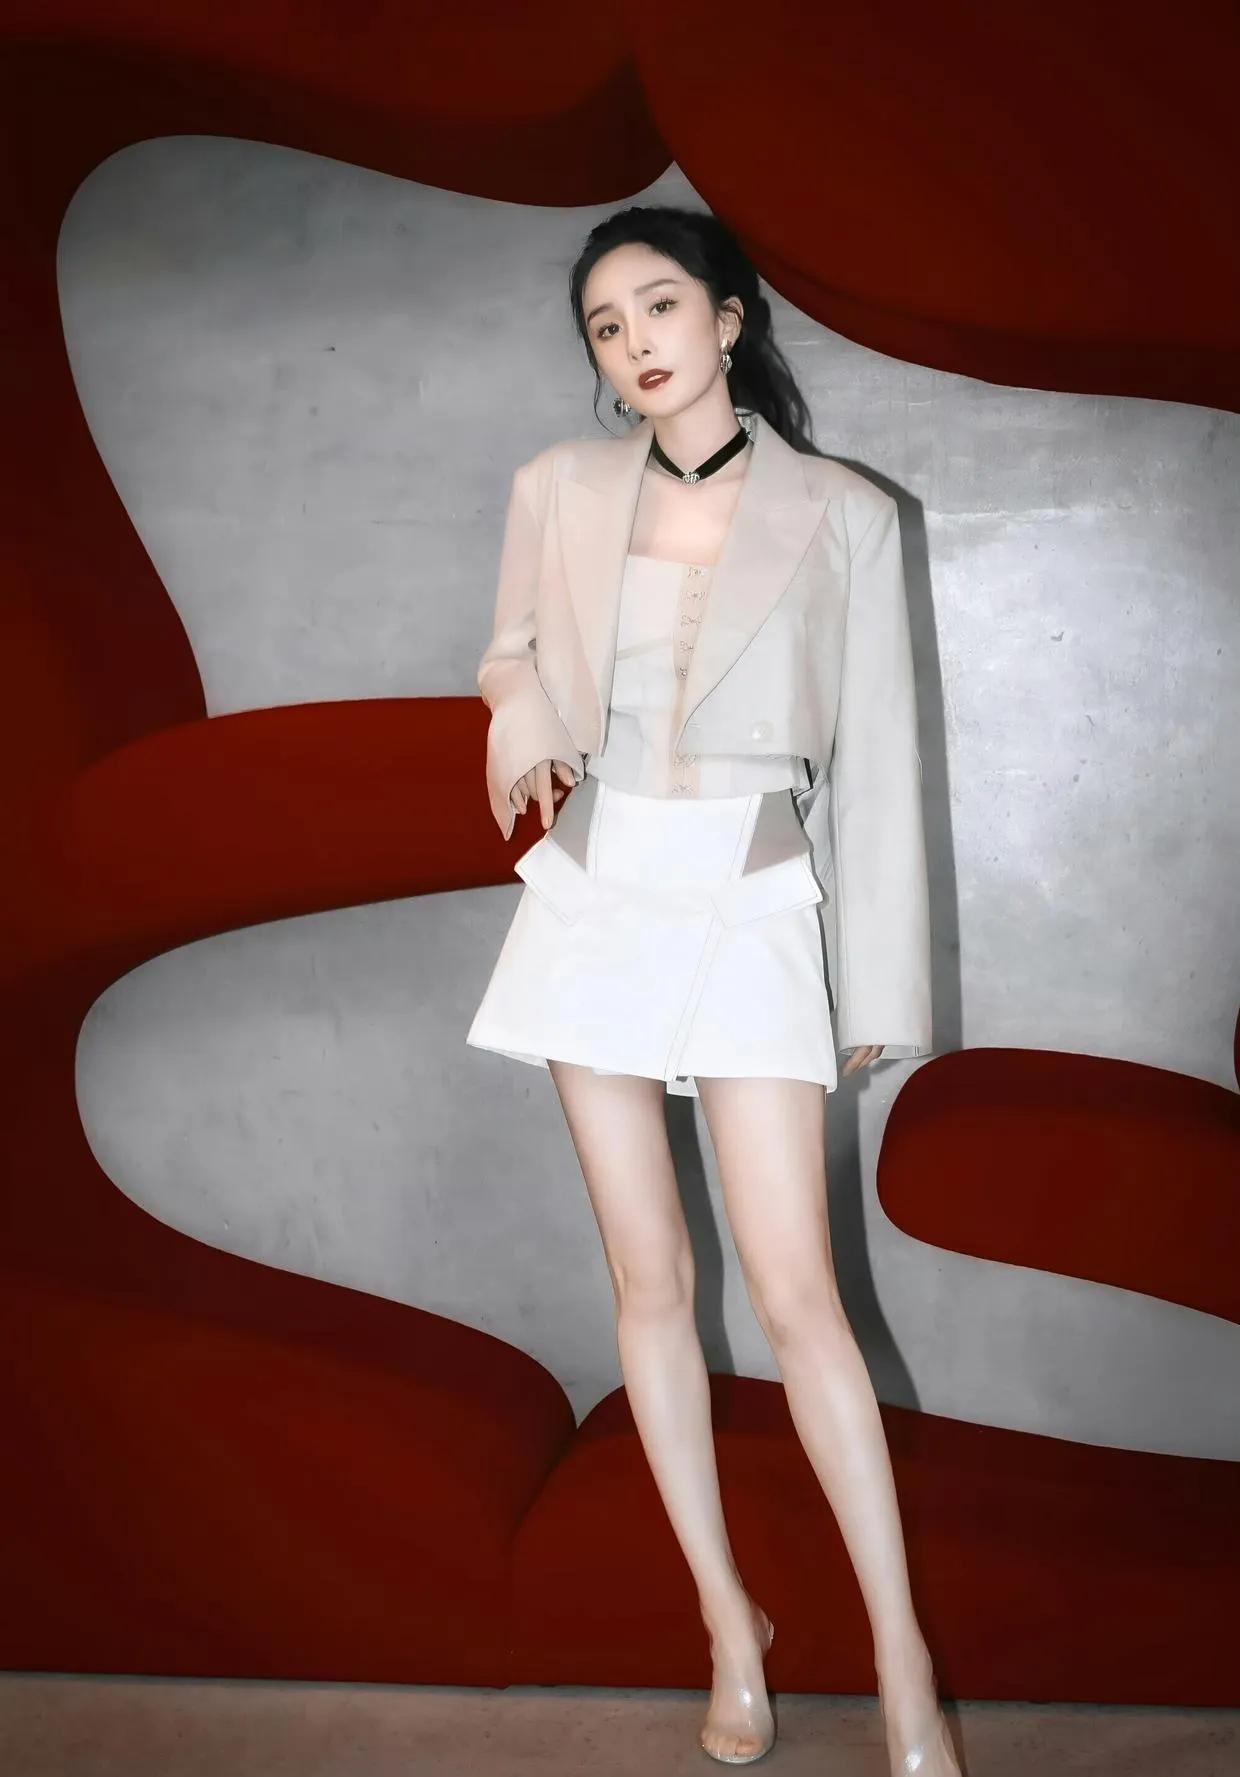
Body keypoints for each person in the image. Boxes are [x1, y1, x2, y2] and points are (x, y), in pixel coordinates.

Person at [466, 204, 956, 1776]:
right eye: (606, 326)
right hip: (598, 896)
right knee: (651, 1285)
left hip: (751, 900)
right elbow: (509, 650)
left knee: (801, 1298)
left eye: (661, 306)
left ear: (729, 318)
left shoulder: (845, 513)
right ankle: (728, 1626)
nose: (636, 343)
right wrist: (521, 714)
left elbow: (880, 762)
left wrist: (874, 983)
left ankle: (901, 1665)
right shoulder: (558, 487)